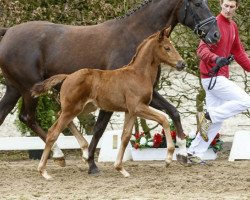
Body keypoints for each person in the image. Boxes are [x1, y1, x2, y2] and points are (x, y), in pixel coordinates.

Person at [187, 0, 250, 164]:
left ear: (237, 7)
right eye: (226, 6)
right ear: (221, 5)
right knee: (245, 101)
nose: (228, 10)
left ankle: (193, 153)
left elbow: (239, 53)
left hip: (218, 78)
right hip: (213, 77)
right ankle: (208, 115)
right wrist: (216, 58)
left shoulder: (233, 27)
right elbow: (201, 50)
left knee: (215, 122)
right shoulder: (213, 24)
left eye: (232, 7)